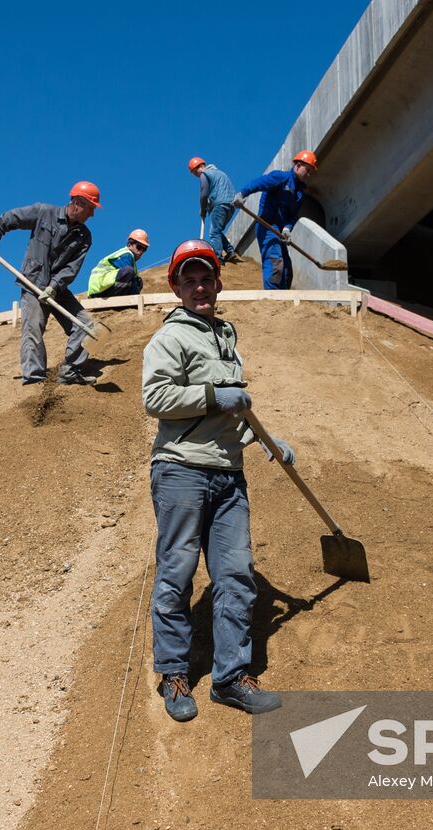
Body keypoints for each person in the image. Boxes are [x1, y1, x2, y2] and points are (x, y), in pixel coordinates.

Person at [141, 240, 296, 721]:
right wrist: (214, 395)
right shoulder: (170, 338)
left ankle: (231, 679)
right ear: (177, 288)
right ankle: (174, 674)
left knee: (235, 576)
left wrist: (269, 441)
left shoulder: (226, 338)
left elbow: (232, 412)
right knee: (177, 574)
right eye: (189, 280)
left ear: (217, 283)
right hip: (181, 470)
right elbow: (156, 398)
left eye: (206, 278)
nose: (200, 286)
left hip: (229, 474)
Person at [0, 182, 100, 385]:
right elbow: (8, 218)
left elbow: (71, 268)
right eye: (91, 208)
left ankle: (70, 372)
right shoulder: (43, 213)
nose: (92, 215)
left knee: (86, 325)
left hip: (58, 290)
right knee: (33, 329)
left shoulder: (84, 237)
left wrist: (54, 286)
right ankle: (34, 378)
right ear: (78, 203)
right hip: (32, 282)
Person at [232, 150, 318, 290]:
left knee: (287, 270)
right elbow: (259, 183)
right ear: (297, 165)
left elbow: (292, 216)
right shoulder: (280, 178)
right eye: (307, 170)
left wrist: (287, 228)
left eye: (310, 172)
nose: (308, 175)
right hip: (267, 226)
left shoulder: (299, 194)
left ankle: (283, 298)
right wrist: (243, 193)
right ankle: (272, 296)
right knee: (275, 261)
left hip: (279, 230)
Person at [189, 156, 239, 263]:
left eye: (195, 172)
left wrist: (203, 208)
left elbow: (204, 192)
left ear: (201, 166)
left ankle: (217, 257)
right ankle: (230, 252)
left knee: (214, 232)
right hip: (231, 205)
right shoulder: (220, 173)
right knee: (217, 230)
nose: (196, 175)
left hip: (219, 204)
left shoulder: (205, 174)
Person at [87, 229, 149, 298]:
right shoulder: (126, 255)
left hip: (105, 288)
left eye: (144, 249)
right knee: (129, 271)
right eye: (139, 247)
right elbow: (129, 276)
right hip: (99, 290)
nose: (141, 251)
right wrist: (137, 299)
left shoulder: (131, 260)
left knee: (138, 281)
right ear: (129, 244)